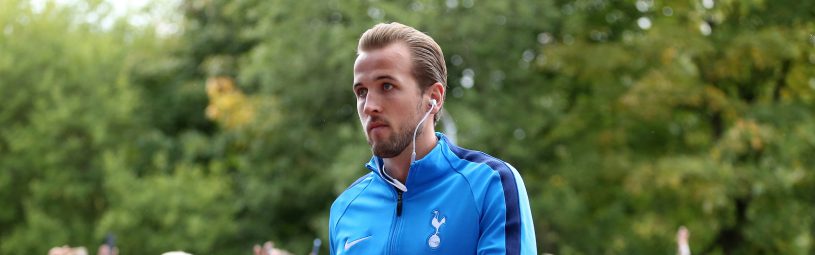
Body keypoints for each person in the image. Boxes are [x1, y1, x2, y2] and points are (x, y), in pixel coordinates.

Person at [328, 22, 537, 254]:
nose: (369, 106)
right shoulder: (345, 208)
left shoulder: (490, 184)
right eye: (362, 92)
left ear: (434, 97)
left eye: (386, 86)